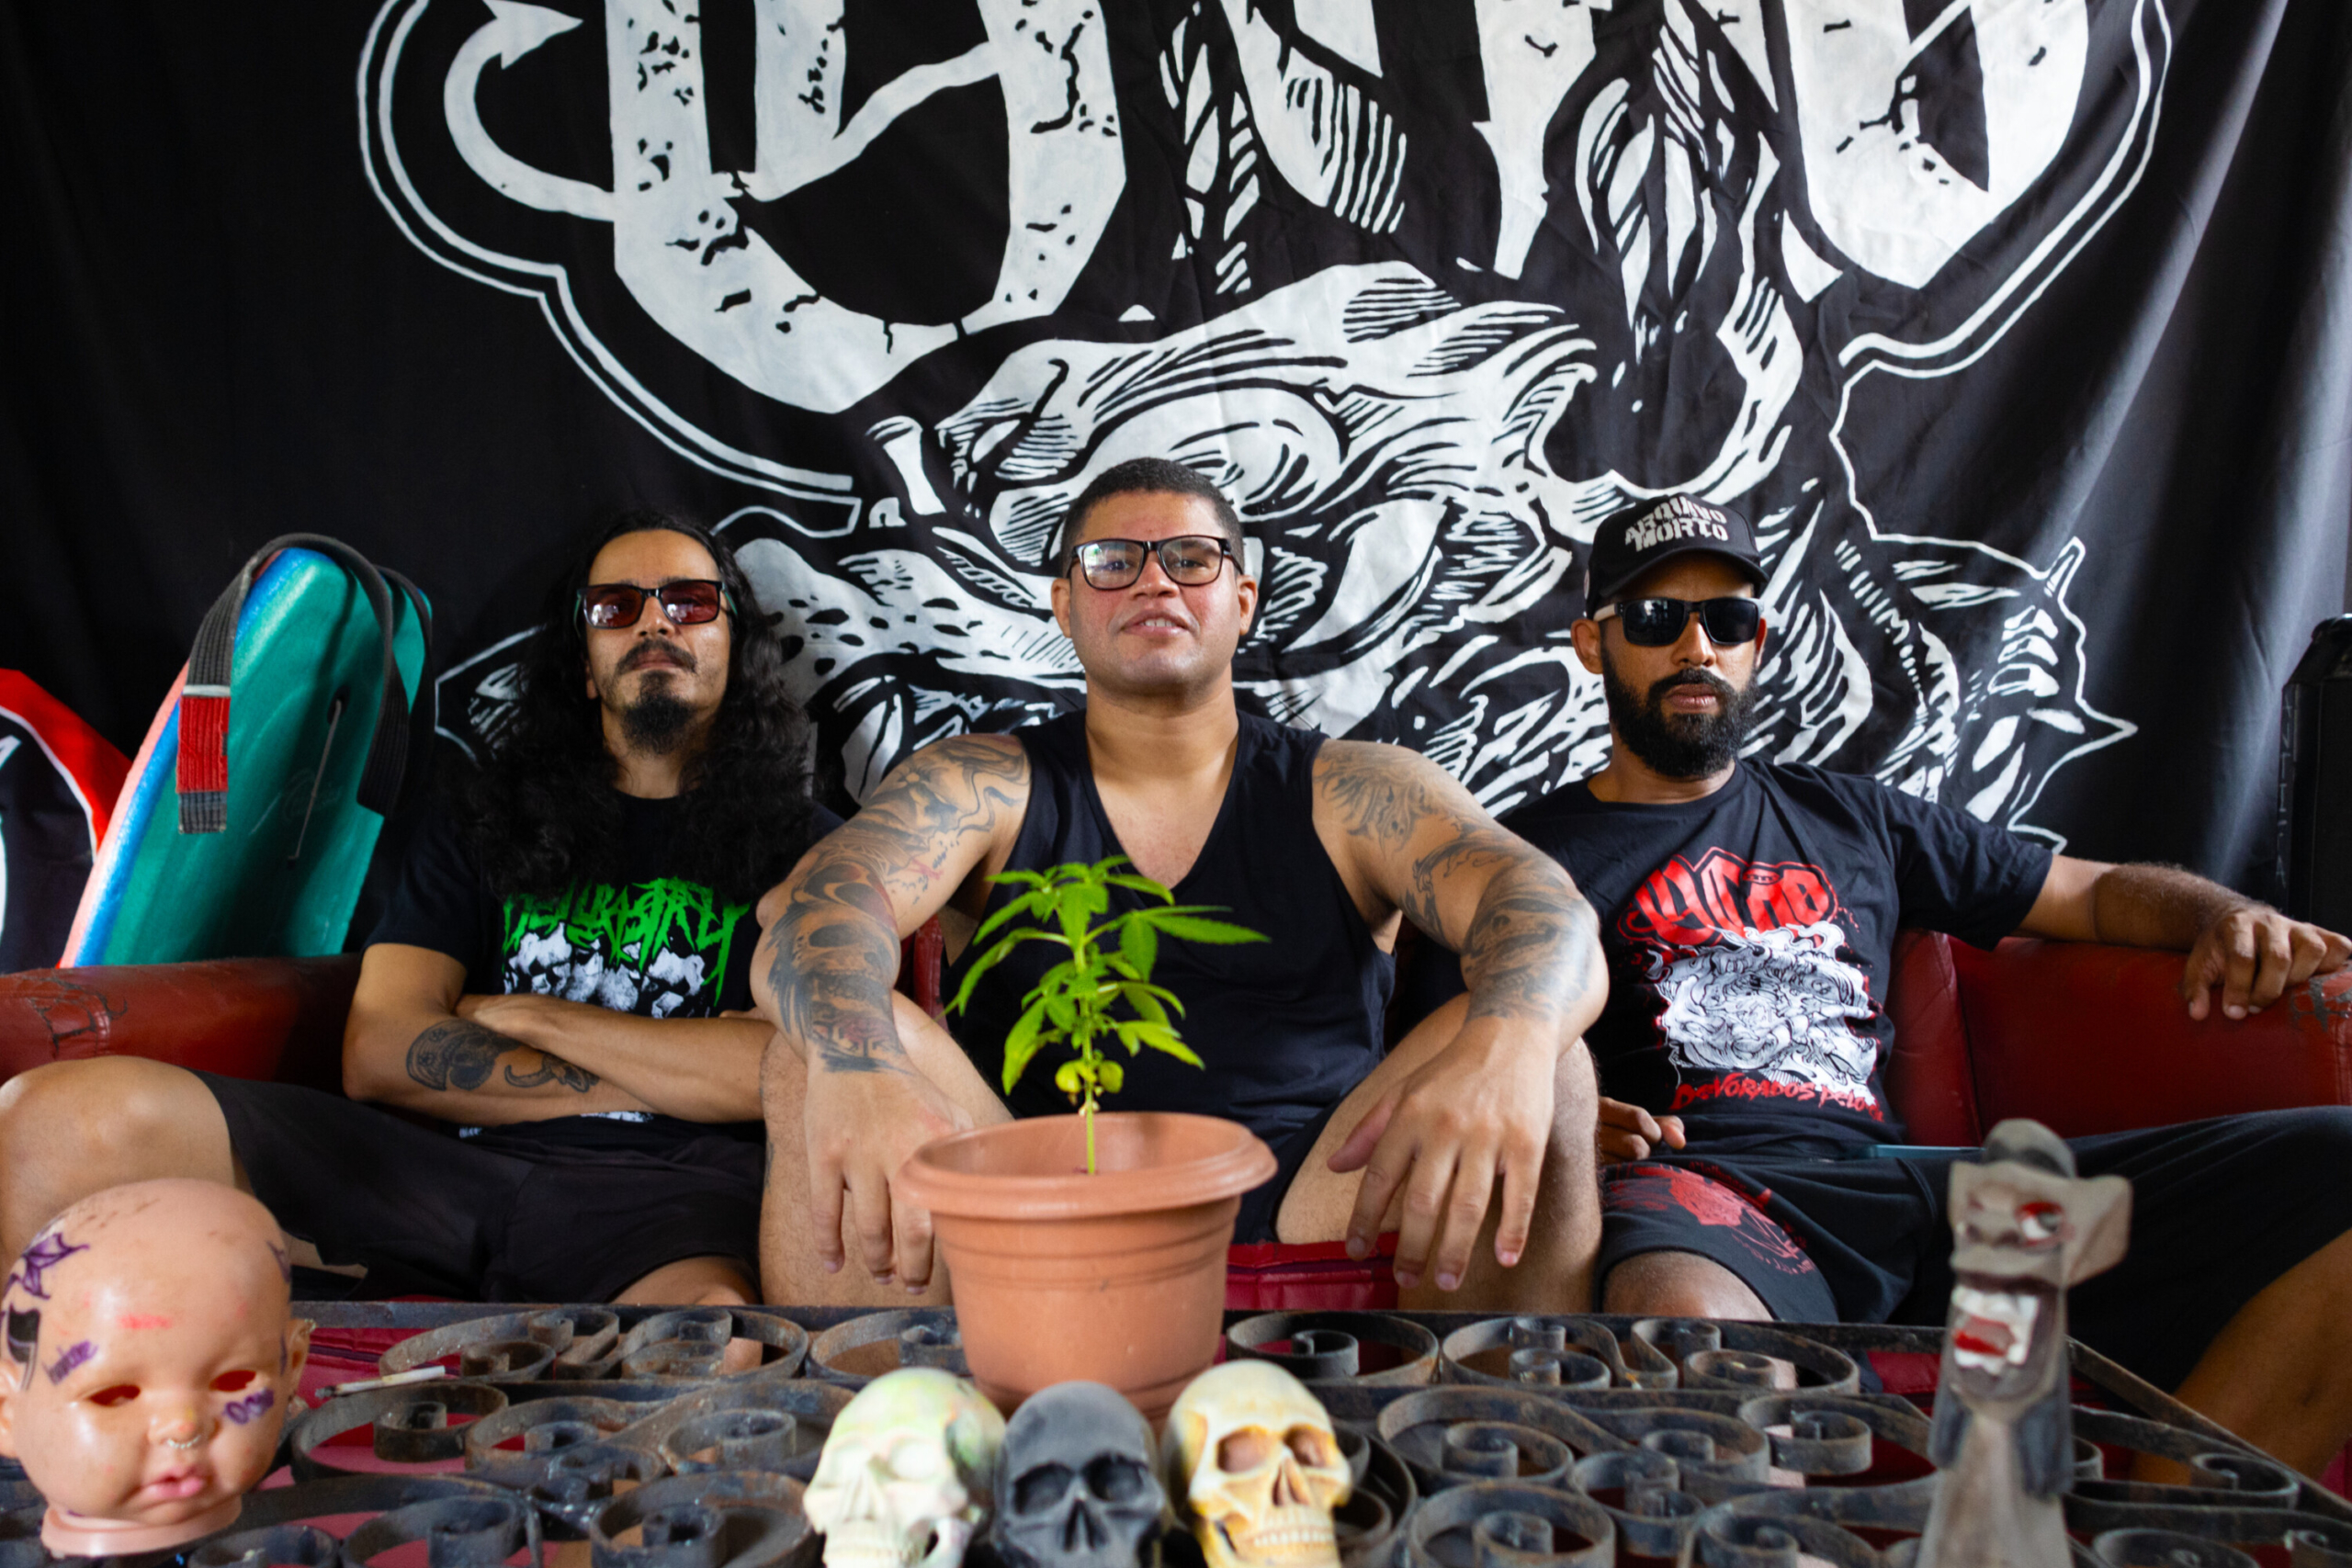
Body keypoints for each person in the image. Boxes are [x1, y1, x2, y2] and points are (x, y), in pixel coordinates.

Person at [1425, 492, 2352, 1475]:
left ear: (1756, 643)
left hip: (1912, 1188)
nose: (1697, 647)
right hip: (1710, 1191)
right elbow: (1455, 1052)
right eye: (1657, 619)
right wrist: (1561, 1120)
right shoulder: (1517, 860)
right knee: (1688, 1328)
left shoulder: (1853, 816)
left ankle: (2162, 1533)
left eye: (1727, 619)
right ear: (1592, 643)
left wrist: (2220, 916)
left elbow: (2089, 894)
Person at [751, 457, 1609, 1310]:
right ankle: (869, 1401)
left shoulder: (1356, 791)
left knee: (1550, 1058)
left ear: (1244, 599)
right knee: (814, 1050)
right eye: (1112, 561)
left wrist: (1512, 1045)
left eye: (1192, 559)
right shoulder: (981, 784)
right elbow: (815, 908)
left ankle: (1499, 1403)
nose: (1154, 581)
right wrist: (859, 1065)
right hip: (1034, 1201)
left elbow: (1539, 903)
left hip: (1313, 1197)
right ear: (1064, 603)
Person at [0, 513, 837, 1309]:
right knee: (53, 1122)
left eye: (689, 602)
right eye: (616, 607)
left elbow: (780, 1069)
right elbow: (378, 1050)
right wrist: (683, 1074)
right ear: (585, 666)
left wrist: (529, 1016)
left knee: (711, 1340)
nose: (655, 621)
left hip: (669, 1195)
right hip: (431, 1177)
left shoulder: (812, 851)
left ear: (734, 645)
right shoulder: (488, 820)